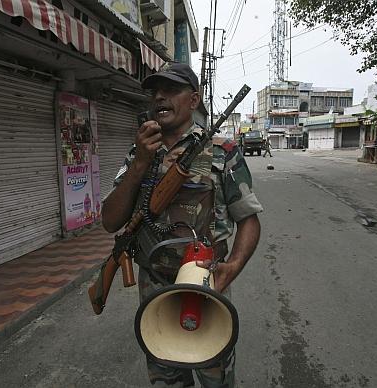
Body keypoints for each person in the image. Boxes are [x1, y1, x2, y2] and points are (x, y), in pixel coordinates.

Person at [101, 62, 263, 388]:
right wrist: (140, 166)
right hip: (155, 288)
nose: (160, 97)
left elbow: (248, 219)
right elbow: (110, 221)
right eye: (155, 92)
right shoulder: (140, 152)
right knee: (166, 374)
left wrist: (232, 267)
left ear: (193, 100)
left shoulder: (222, 152)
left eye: (171, 90)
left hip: (205, 285)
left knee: (214, 373)